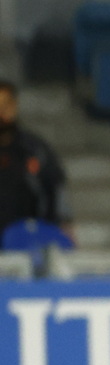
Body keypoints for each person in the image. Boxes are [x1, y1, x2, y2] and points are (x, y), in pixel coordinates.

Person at [0, 80, 73, 243]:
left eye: (6, 105)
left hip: (27, 240)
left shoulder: (34, 149)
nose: (1, 111)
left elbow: (55, 185)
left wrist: (65, 222)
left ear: (15, 106)